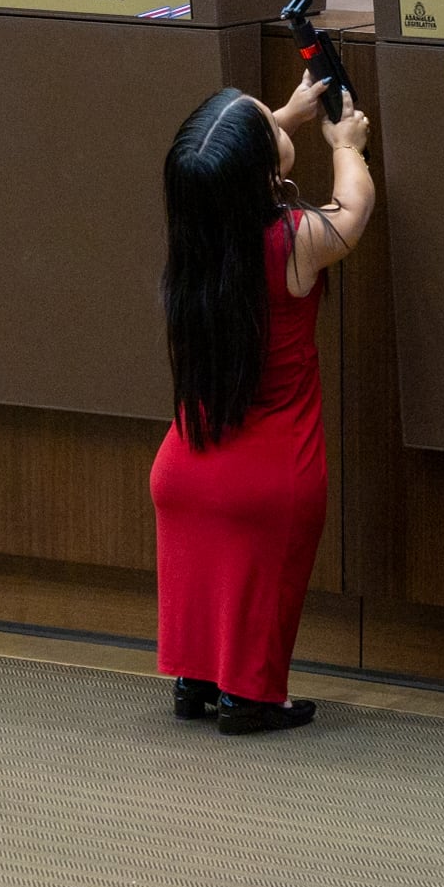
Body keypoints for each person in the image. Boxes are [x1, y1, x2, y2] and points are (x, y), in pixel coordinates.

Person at [151, 75, 370, 736]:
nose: (282, 121)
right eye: (271, 124)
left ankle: (196, 681)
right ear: (263, 168)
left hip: (186, 464)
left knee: (204, 576)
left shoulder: (198, 237)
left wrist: (289, 117)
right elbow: (352, 212)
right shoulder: (295, 240)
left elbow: (218, 163)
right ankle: (249, 699)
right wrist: (345, 146)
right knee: (264, 587)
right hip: (269, 472)